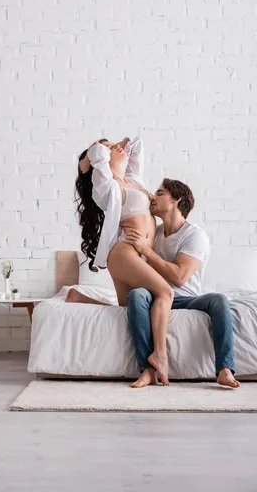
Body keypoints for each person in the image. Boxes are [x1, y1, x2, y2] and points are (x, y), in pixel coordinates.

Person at [74, 137, 174, 385]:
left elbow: (139, 143)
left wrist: (118, 146)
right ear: (103, 159)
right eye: (112, 147)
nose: (120, 147)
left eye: (118, 145)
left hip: (135, 254)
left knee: (131, 310)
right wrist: (93, 158)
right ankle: (160, 355)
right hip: (124, 253)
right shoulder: (105, 185)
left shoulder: (134, 180)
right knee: (165, 292)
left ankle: (146, 371)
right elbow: (96, 153)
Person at [124, 178, 241, 389]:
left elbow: (179, 276)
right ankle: (147, 370)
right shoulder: (154, 233)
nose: (153, 197)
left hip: (186, 298)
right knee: (136, 295)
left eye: (160, 193)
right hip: (156, 295)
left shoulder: (195, 235)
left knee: (219, 300)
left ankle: (224, 369)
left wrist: (146, 251)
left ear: (176, 199)